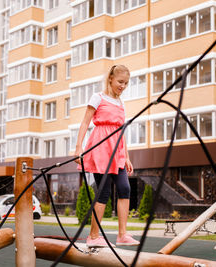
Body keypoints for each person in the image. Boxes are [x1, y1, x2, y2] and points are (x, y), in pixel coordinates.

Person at [74, 64, 140, 248]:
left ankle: (122, 235)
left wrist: (126, 156)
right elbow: (85, 122)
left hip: (117, 149)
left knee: (124, 188)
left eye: (126, 83)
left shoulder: (121, 103)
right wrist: (78, 148)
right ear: (110, 78)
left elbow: (121, 131)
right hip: (101, 147)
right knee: (103, 192)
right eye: (120, 81)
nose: (123, 86)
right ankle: (93, 236)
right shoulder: (98, 97)